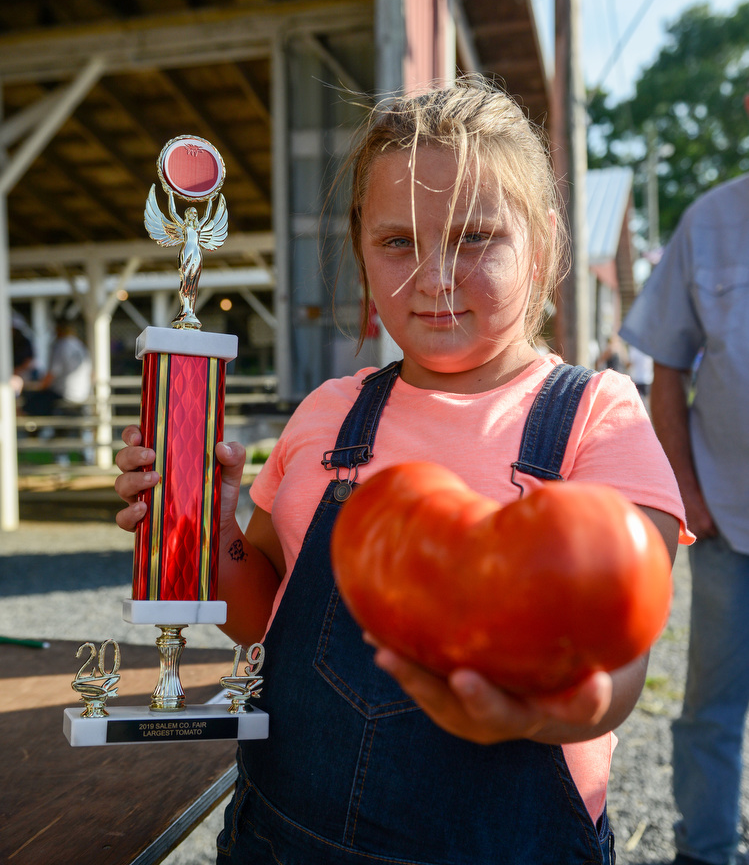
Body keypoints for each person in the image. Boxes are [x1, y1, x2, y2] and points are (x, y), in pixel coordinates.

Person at [115, 78, 689, 864]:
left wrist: (533, 713)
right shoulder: (327, 412)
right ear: (360, 249)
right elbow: (258, 614)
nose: (434, 276)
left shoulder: (600, 418)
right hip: (279, 839)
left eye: (476, 236)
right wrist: (201, 528)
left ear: (545, 244)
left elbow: (619, 675)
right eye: (397, 242)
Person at [620, 171, 749, 865]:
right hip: (730, 517)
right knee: (712, 708)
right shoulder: (708, 221)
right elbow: (663, 360)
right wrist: (685, 492)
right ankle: (705, 850)